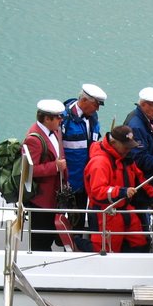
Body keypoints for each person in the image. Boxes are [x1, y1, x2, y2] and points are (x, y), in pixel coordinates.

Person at [84, 125, 153, 253]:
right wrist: (122, 191)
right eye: (126, 146)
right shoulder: (100, 163)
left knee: (141, 243)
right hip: (105, 213)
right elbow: (97, 192)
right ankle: (80, 245)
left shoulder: (125, 158)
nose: (129, 149)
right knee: (107, 250)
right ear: (113, 143)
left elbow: (139, 177)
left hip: (125, 210)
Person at [60, 84, 107, 243]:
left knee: (79, 217)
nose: (97, 109)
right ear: (85, 100)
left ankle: (76, 245)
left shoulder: (93, 119)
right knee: (61, 216)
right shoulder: (64, 119)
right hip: (67, 181)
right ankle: (62, 244)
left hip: (86, 180)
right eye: (96, 105)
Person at [24, 99, 67, 252]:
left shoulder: (54, 132)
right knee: (40, 240)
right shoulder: (33, 139)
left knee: (50, 235)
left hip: (53, 197)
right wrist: (55, 166)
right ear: (47, 119)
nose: (61, 120)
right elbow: (29, 170)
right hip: (41, 200)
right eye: (58, 117)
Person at [124, 86, 153, 199]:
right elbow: (138, 156)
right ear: (143, 104)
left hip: (152, 178)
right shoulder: (136, 126)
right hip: (144, 181)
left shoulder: (148, 120)